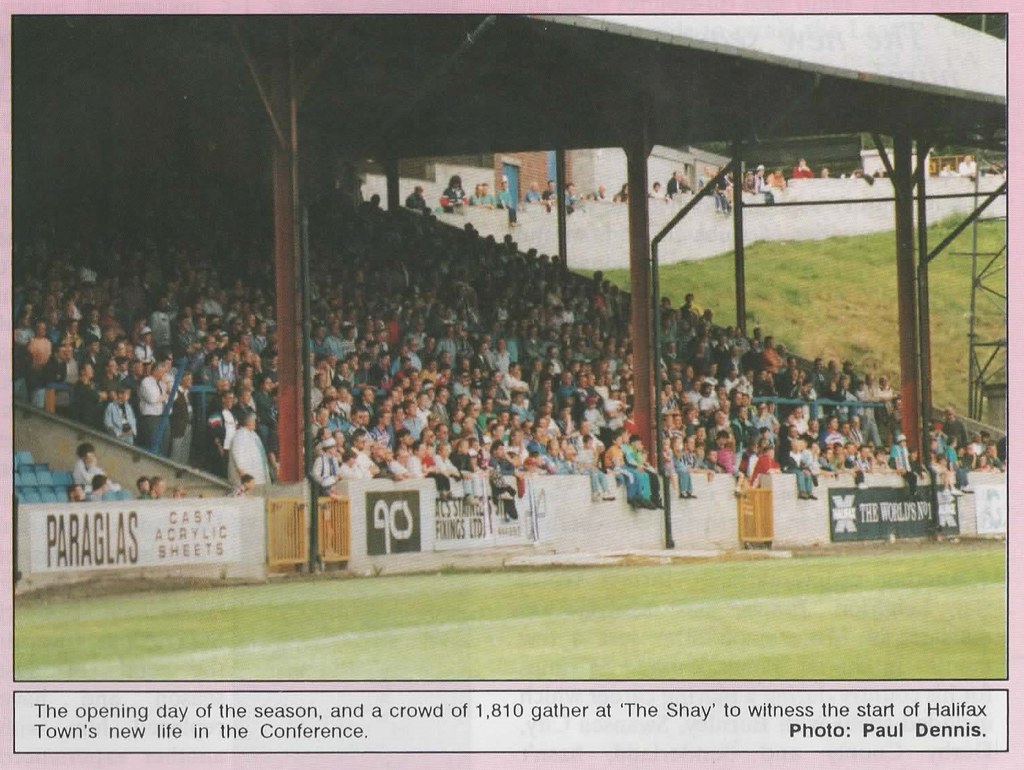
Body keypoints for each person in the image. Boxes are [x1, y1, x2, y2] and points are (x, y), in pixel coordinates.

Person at [228, 412, 271, 487]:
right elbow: (238, 456)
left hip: (258, 480)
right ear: (248, 422)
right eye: (255, 421)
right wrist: (245, 477)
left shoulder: (253, 434)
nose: (256, 423)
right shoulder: (239, 436)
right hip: (247, 482)